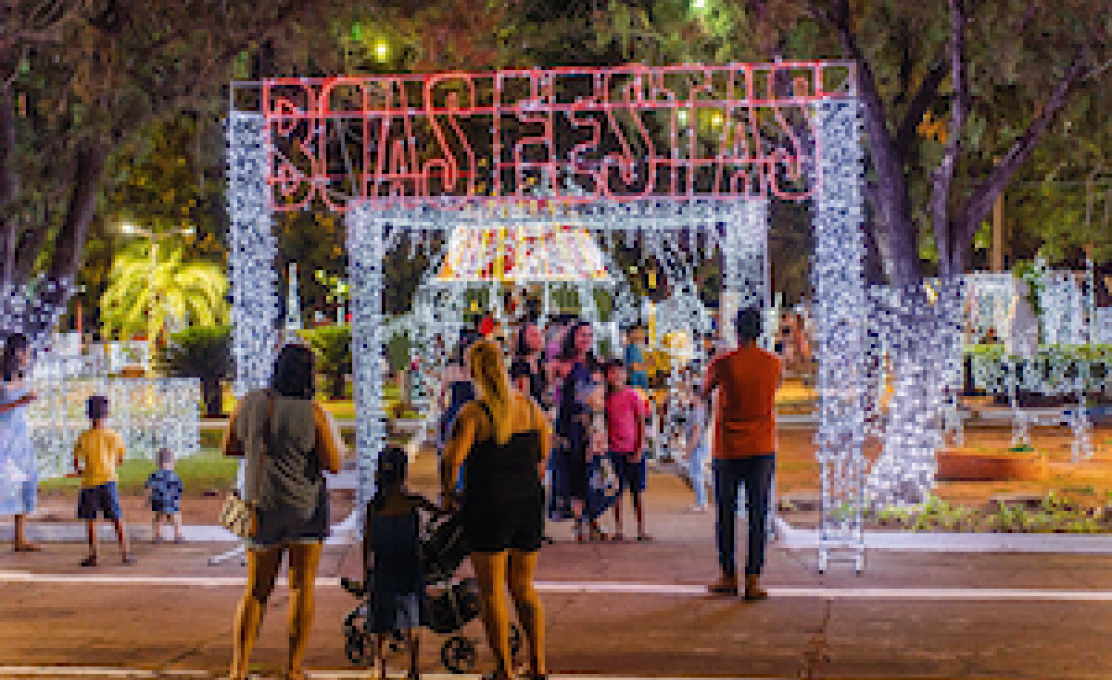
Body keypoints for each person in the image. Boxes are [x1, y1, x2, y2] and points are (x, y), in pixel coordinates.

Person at [223, 344, 344, 680]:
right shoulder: (313, 413)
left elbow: (228, 446)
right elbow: (333, 463)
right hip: (304, 510)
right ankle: (293, 668)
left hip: (261, 508)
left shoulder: (248, 404)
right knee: (301, 588)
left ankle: (239, 668)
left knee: (256, 591)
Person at [442, 339, 550, 680]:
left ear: (472, 371)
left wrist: (449, 494)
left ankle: (504, 668)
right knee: (524, 587)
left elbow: (452, 459)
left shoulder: (474, 414)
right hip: (528, 503)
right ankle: (538, 663)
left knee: (492, 592)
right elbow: (543, 452)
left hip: (489, 504)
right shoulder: (531, 408)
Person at [701, 307, 782, 600]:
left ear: (737, 330)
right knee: (758, 514)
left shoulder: (723, 363)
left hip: (728, 448)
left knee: (726, 514)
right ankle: (753, 578)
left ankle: (728, 574)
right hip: (761, 447)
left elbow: (704, 390)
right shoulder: (773, 363)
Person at [362, 446, 443, 680]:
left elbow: (367, 542)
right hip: (409, 564)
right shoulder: (412, 501)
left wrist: (365, 570)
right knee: (412, 616)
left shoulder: (374, 506)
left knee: (382, 620)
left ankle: (381, 667)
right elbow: (440, 511)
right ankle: (414, 666)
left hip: (383, 566)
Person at [554, 321, 609, 542]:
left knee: (596, 474)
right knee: (575, 474)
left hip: (594, 428)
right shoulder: (562, 365)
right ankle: (579, 524)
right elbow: (554, 397)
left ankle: (593, 520)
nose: (586, 339)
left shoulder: (597, 365)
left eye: (589, 335)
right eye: (581, 335)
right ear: (573, 338)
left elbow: (602, 397)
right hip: (571, 427)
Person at [73, 395, 134, 566]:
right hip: (109, 481)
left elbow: (77, 464)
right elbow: (120, 459)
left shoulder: (83, 437)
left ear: (88, 414)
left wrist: (81, 472)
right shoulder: (114, 436)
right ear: (107, 414)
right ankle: (126, 553)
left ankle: (95, 556)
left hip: (89, 483)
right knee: (117, 517)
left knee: (91, 520)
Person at [0, 333, 41, 552]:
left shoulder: (21, 376)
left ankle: (20, 537)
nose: (29, 355)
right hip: (3, 439)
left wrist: (27, 400)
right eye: (27, 351)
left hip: (20, 439)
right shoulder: (1, 378)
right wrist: (20, 401)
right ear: (17, 352)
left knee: (27, 481)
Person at [602, 359, 650, 541]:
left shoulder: (632, 395)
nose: (617, 376)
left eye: (620, 372)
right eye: (613, 372)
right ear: (607, 375)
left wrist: (640, 448)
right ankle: (619, 529)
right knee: (616, 492)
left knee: (638, 492)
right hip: (614, 451)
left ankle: (641, 529)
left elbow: (641, 422)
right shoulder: (605, 399)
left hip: (634, 449)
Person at [145, 447, 184, 543]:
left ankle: (158, 536)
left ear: (158, 463)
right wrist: (178, 501)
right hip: (172, 500)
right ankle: (178, 535)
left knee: (159, 518)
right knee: (176, 517)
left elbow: (149, 488)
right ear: (173, 463)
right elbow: (180, 490)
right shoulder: (175, 476)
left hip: (158, 500)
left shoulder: (154, 475)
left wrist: (147, 499)